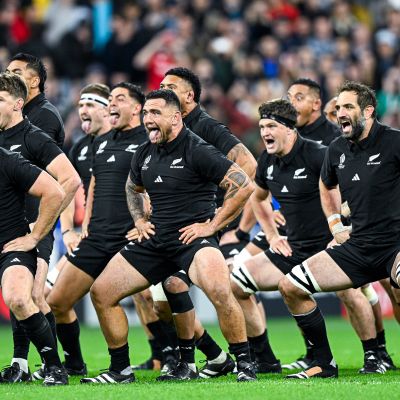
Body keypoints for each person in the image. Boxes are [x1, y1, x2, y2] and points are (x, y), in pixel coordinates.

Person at [81, 89, 256, 384]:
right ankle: (120, 370)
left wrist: (213, 226)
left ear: (176, 118)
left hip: (192, 238)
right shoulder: (144, 152)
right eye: (146, 113)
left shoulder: (196, 148)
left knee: (219, 289)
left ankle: (245, 363)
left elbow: (243, 184)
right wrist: (139, 219)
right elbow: (131, 188)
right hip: (157, 239)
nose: (147, 120)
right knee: (102, 292)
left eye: (155, 114)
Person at [278, 81, 400, 379]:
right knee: (290, 287)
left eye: (348, 107)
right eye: (338, 107)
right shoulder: (336, 149)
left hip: (395, 243)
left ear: (368, 111)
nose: (339, 112)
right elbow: (326, 184)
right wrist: (335, 224)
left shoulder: (395, 142)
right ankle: (323, 363)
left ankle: (378, 354)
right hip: (357, 245)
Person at [46, 82, 148, 376]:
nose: (112, 104)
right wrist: (81, 226)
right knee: (57, 301)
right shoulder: (97, 144)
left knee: (155, 298)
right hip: (96, 238)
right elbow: (87, 186)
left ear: (135, 108)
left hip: (129, 238)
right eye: (111, 98)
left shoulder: (146, 142)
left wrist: (146, 222)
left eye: (118, 99)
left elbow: (154, 186)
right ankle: (75, 365)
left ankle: (183, 357)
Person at [230, 98, 332, 374]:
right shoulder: (267, 159)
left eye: (271, 126)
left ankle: (370, 354)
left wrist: (342, 229)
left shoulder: (317, 155)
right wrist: (273, 235)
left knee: (357, 295)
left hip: (330, 250)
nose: (264, 132)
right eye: (262, 126)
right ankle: (265, 360)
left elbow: (350, 194)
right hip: (293, 248)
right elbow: (258, 198)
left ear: (290, 128)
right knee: (237, 284)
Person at [0, 72, 80, 383]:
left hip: (32, 229)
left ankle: (63, 365)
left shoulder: (34, 137)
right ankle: (22, 364)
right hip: (11, 230)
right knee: (28, 298)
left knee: (30, 295)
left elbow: (70, 181)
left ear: (18, 103)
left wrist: (40, 229)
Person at [45, 83, 111, 293]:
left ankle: (198, 329)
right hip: (92, 239)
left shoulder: (127, 143)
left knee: (152, 302)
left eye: (90, 104)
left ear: (107, 109)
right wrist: (67, 232)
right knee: (49, 294)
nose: (83, 110)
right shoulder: (80, 149)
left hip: (125, 235)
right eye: (81, 105)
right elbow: (66, 191)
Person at [6, 53, 65, 148]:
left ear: (34, 82)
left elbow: (38, 160)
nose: (8, 78)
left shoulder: (45, 116)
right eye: (7, 73)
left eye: (16, 73)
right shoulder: (13, 113)